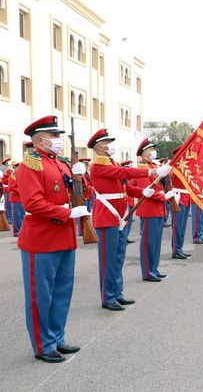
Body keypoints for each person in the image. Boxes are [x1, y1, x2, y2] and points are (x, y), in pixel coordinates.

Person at [17, 115, 90, 363]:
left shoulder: (60, 163)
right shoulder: (31, 164)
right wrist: (67, 213)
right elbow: (34, 203)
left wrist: (82, 176)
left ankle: (57, 337)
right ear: (39, 140)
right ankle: (43, 345)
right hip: (42, 239)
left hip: (64, 237)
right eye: (54, 136)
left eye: (60, 136)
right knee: (41, 296)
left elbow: (80, 193)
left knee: (61, 293)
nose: (59, 140)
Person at [88, 129, 172, 310]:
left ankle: (117, 293)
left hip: (119, 216)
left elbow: (124, 188)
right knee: (108, 259)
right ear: (100, 147)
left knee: (118, 258)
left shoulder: (111, 163)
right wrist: (154, 171)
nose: (111, 145)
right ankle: (107, 297)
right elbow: (124, 173)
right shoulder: (99, 166)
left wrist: (141, 192)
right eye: (108, 142)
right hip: (107, 216)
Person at [133, 139, 178, 282]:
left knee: (156, 242)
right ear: (144, 152)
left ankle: (154, 268)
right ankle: (147, 271)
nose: (153, 151)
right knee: (148, 243)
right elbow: (148, 190)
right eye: (150, 148)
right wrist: (164, 197)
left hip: (158, 209)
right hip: (149, 209)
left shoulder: (155, 166)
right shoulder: (142, 168)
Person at [170, 146, 192, 259]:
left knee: (182, 227)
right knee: (177, 226)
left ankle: (179, 248)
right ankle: (176, 250)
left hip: (185, 197)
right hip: (179, 197)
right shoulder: (176, 167)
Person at [119, 161, 136, 244]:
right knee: (125, 220)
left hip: (131, 200)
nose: (130, 169)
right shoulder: (124, 178)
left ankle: (126, 236)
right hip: (126, 201)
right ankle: (124, 237)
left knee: (129, 221)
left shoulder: (131, 178)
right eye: (128, 167)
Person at [8, 162, 24, 237]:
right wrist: (21, 191)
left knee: (21, 215)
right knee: (16, 216)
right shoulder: (12, 177)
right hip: (15, 198)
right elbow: (11, 187)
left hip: (21, 199)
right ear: (15, 168)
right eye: (18, 167)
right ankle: (16, 231)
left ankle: (21, 229)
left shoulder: (21, 176)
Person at [1, 158, 13, 224]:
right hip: (7, 189)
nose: (8, 165)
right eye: (7, 164)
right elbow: (4, 181)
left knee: (10, 205)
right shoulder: (5, 172)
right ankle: (8, 218)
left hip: (10, 189)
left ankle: (10, 217)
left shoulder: (9, 171)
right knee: (8, 205)